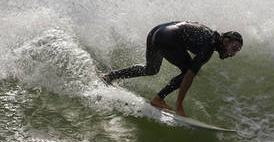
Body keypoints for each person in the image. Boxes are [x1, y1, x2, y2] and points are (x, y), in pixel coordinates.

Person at [102, 21, 243, 116]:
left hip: (156, 32)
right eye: (234, 48)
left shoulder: (210, 35)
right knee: (189, 72)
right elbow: (189, 75)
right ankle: (158, 98)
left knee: (151, 69)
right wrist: (179, 105)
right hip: (168, 39)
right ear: (225, 41)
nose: (233, 54)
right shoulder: (209, 46)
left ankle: (111, 76)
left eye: (237, 51)